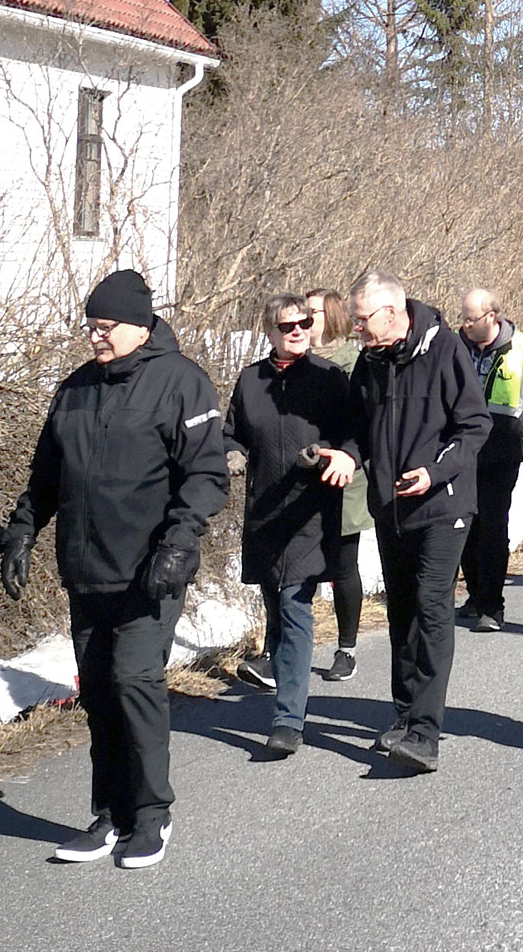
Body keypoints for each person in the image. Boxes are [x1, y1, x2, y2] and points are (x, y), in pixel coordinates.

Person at [0, 269, 229, 869]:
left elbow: (206, 475)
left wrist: (180, 543)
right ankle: (110, 815)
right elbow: (47, 474)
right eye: (91, 327)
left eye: (106, 328)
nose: (96, 338)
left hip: (151, 567)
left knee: (135, 681)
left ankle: (152, 816)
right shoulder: (75, 388)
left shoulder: (182, 383)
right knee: (99, 691)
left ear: (139, 324)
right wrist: (24, 529)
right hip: (86, 567)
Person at [347, 270, 491, 773]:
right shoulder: (369, 361)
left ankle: (426, 733)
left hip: (444, 506)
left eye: (364, 320)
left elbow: (476, 424)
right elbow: (356, 427)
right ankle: (404, 713)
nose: (357, 329)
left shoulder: (446, 348)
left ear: (392, 312)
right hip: (392, 508)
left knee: (432, 606)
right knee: (401, 610)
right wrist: (349, 456)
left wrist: (433, 472)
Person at [223, 294, 359, 757]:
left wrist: (334, 454)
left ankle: (288, 720)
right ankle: (286, 693)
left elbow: (355, 435)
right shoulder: (250, 380)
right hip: (265, 512)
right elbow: (232, 432)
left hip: (310, 511)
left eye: (303, 322)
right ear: (270, 332)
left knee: (296, 607)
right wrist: (232, 454)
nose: (297, 330)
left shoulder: (329, 377)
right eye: (287, 326)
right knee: (277, 612)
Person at [456, 287, 523, 632]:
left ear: (491, 317)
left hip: (502, 450)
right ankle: (474, 594)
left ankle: (492, 605)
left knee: (492, 526)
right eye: (463, 318)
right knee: (463, 526)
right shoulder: (455, 349)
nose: (465, 324)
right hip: (461, 450)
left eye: (471, 318)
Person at [306, 286, 369, 684]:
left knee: (343, 565)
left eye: (312, 311)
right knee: (298, 565)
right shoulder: (296, 361)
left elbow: (361, 421)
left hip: (346, 477)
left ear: (330, 314)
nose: (305, 319)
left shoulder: (352, 360)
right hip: (305, 478)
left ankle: (346, 648)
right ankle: (279, 647)